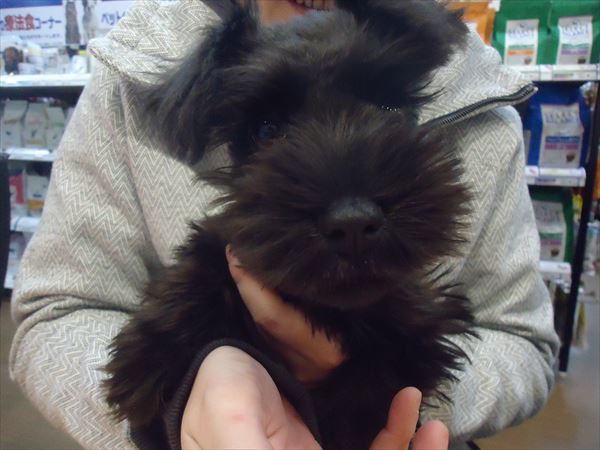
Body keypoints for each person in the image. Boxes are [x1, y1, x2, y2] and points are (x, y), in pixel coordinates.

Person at [9, 0, 560, 449]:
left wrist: (410, 399)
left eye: (387, 111)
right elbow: (56, 314)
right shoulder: (130, 74)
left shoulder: (479, 93)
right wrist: (188, 402)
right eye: (269, 132)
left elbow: (523, 343)